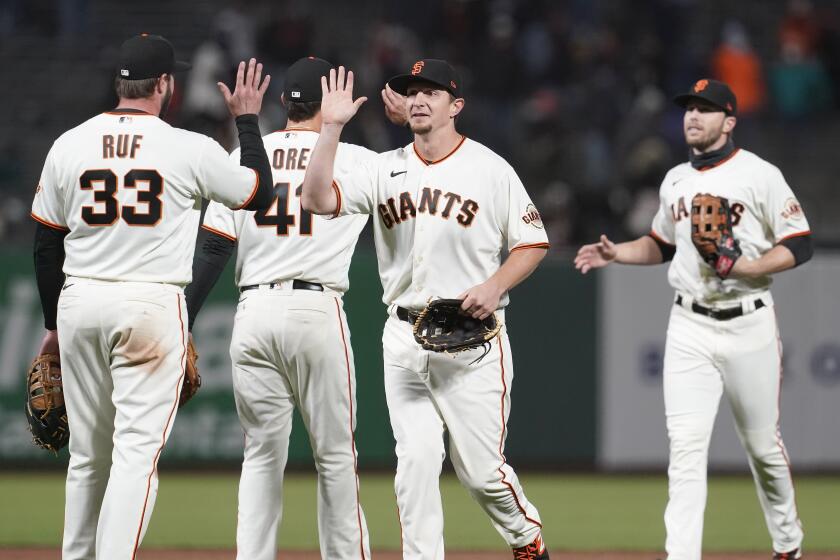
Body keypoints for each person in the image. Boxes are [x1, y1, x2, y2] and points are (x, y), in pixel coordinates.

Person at [31, 33, 274, 559]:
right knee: (135, 456)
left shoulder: (69, 143)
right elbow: (259, 193)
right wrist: (248, 120)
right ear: (164, 84)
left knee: (87, 458)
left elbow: (46, 247)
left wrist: (53, 327)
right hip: (149, 303)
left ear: (120, 83)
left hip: (80, 301)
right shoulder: (188, 146)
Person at [301, 61, 551, 560]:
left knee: (481, 473)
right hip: (403, 338)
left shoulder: (489, 168)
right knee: (413, 466)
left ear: (455, 106)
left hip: (473, 341)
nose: (418, 99)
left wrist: (495, 283)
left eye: (431, 92)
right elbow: (313, 198)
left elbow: (533, 242)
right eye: (411, 91)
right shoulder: (382, 166)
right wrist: (330, 128)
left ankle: (528, 541)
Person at [575, 79, 811, 560]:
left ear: (729, 122)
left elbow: (799, 242)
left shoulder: (759, 174)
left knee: (764, 450)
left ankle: (788, 545)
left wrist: (751, 266)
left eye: (706, 109)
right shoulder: (675, 180)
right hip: (689, 328)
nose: (693, 117)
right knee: (685, 454)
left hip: (749, 322)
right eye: (689, 109)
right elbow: (660, 246)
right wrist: (617, 251)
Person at [184, 56, 388, 560]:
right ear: (333, 101)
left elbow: (212, 247)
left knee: (259, 457)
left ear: (283, 103)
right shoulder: (358, 159)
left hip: (254, 313)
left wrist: (180, 321)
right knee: (336, 458)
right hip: (316, 312)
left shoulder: (247, 156)